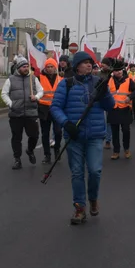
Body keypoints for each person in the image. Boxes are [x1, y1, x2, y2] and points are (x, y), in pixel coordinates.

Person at [50, 51, 115, 225]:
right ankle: (79, 208)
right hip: (74, 136)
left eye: (91, 63)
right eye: (85, 62)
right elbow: (55, 108)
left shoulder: (98, 83)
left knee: (94, 171)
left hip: (94, 135)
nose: (89, 65)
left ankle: (93, 198)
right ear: (77, 65)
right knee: (77, 173)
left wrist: (105, 94)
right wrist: (66, 124)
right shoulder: (66, 84)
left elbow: (110, 106)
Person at [0, 56, 42, 170]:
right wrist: (11, 104)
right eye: (24, 66)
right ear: (18, 68)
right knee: (16, 137)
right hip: (16, 114)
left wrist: (36, 97)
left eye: (27, 66)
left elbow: (41, 90)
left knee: (34, 135)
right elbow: (4, 94)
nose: (26, 68)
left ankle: (30, 150)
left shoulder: (33, 78)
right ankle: (17, 159)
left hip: (31, 112)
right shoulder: (11, 80)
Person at [36, 56, 63, 165]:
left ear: (55, 67)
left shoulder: (60, 79)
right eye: (48, 66)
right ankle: (47, 155)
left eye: (52, 66)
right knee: (45, 133)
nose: (50, 68)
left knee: (58, 132)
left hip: (56, 109)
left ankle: (57, 149)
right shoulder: (39, 78)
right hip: (44, 109)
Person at [107, 62, 135, 160]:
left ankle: (126, 149)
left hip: (125, 109)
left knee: (126, 130)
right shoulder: (109, 80)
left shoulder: (128, 80)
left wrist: (130, 97)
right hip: (113, 109)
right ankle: (116, 151)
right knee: (114, 132)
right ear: (113, 72)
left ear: (122, 70)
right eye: (116, 70)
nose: (118, 72)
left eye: (120, 70)